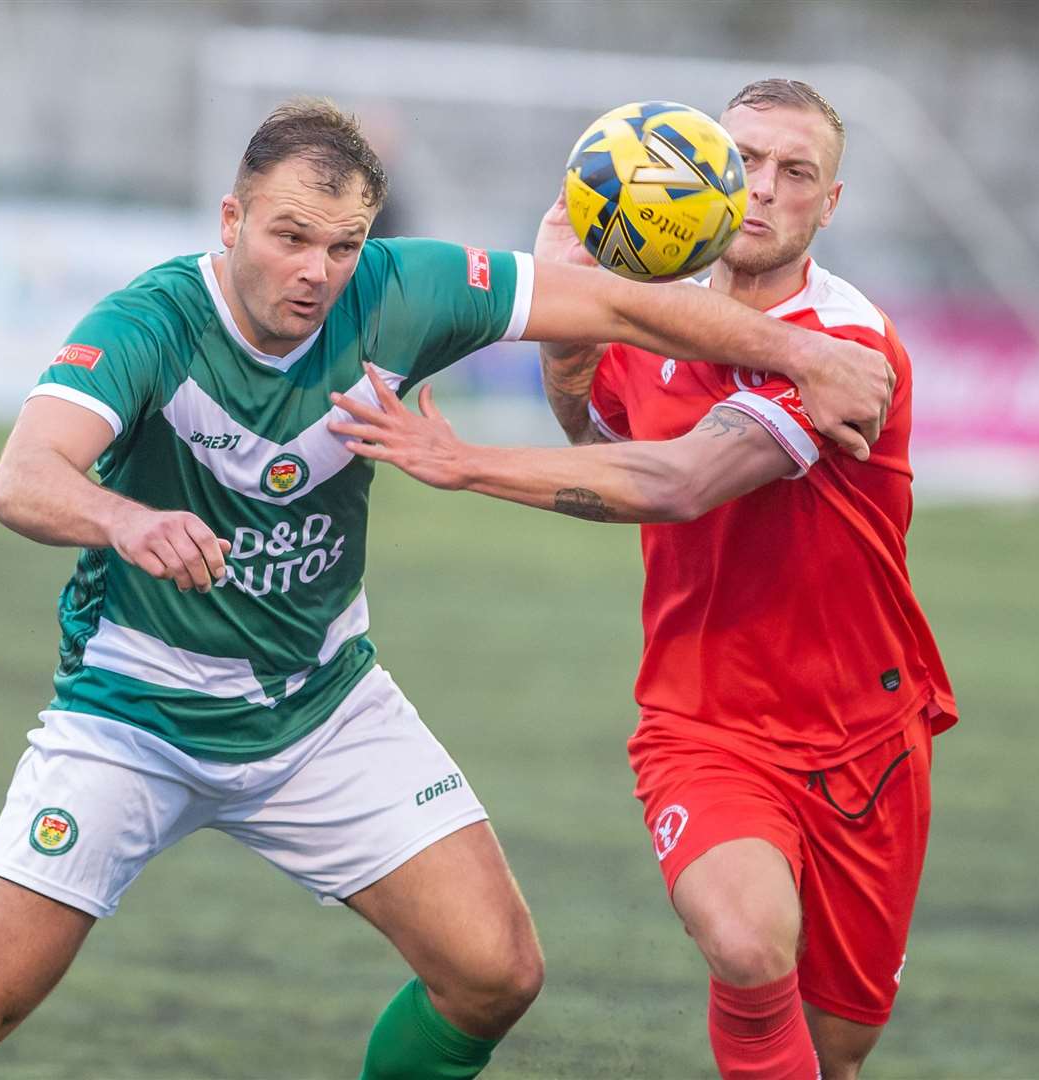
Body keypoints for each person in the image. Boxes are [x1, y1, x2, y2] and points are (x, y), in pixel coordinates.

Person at [0, 96, 894, 1080]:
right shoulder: (147, 323)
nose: (314, 271)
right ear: (232, 218)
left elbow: (620, 306)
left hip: (322, 710)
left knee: (493, 973)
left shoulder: (402, 288)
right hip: (133, 717)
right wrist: (126, 517)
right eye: (289, 236)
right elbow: (22, 477)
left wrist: (796, 354)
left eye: (341, 247)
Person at [329, 80, 958, 1080]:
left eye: (794, 173)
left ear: (827, 206)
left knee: (834, 1051)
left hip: (862, 743)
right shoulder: (657, 318)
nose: (761, 189)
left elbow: (678, 482)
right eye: (743, 160)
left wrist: (463, 461)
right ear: (704, 166)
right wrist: (569, 338)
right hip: (700, 723)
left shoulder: (842, 347)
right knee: (747, 946)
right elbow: (596, 432)